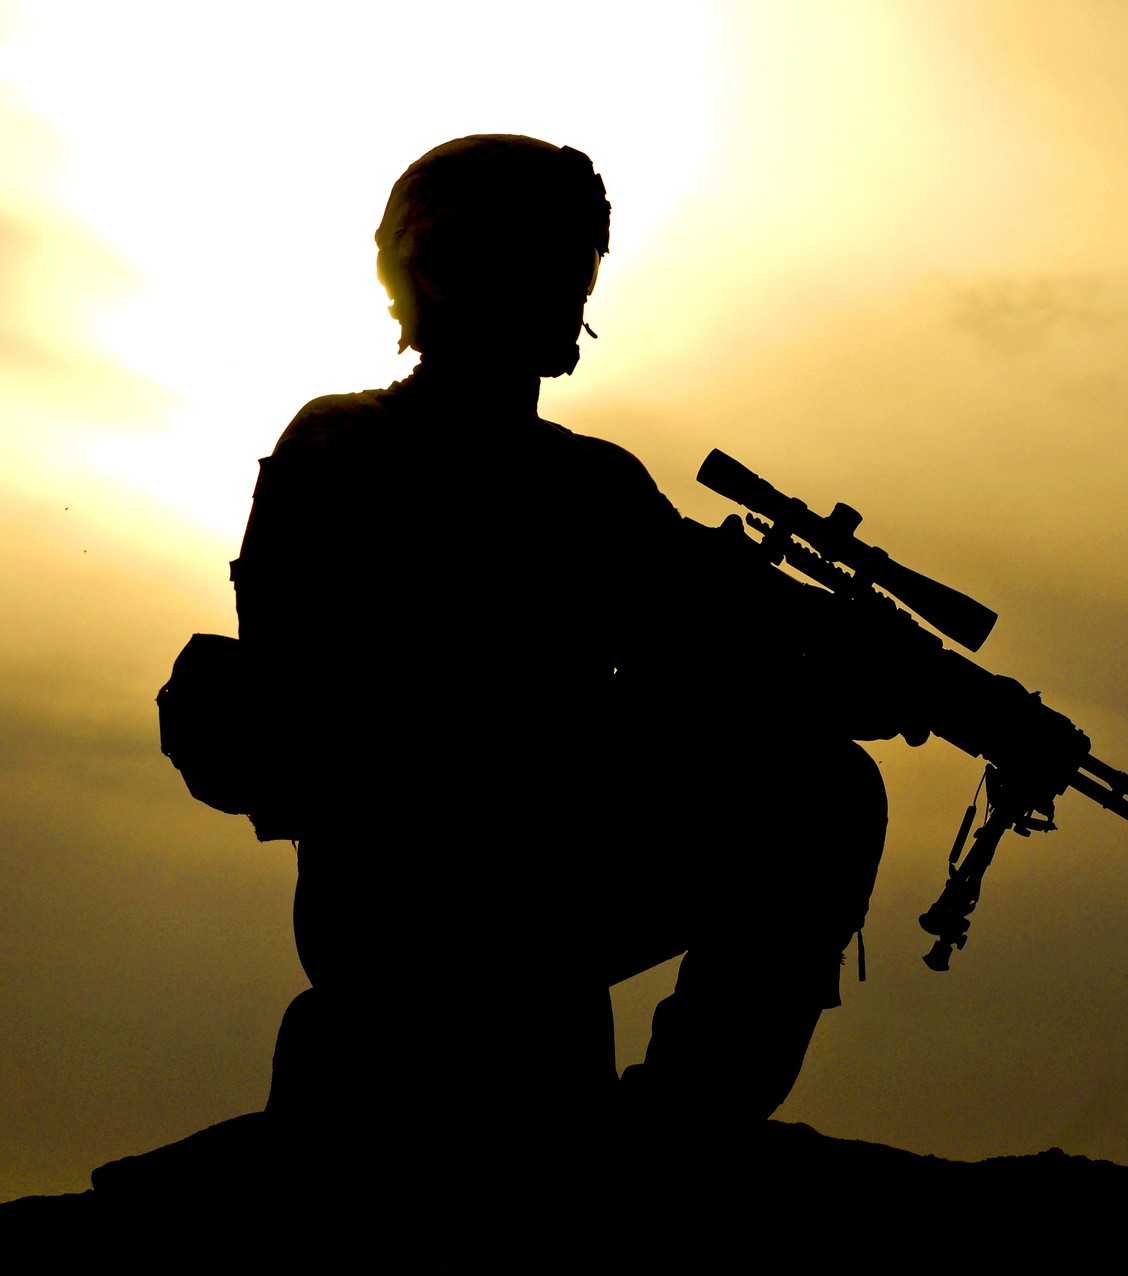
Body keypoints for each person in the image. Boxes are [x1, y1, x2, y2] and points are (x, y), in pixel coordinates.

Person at [228, 135, 890, 1204]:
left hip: (539, 871)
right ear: (439, 271)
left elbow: (707, 637)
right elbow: (380, 689)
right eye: (536, 257)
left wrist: (827, 671)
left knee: (820, 784)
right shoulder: (348, 448)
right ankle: (650, 1163)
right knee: (816, 786)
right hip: (405, 893)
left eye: (573, 258)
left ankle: (674, 1140)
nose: (564, 284)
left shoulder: (592, 484)